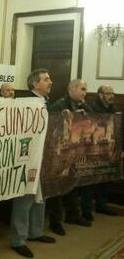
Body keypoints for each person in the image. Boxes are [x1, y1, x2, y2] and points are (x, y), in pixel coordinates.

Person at [10, 68, 55, 258]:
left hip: (43, 155)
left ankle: (36, 232)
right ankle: (18, 240)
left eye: (49, 78)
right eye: (46, 79)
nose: (50, 82)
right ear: (35, 84)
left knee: (40, 196)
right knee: (25, 197)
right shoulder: (25, 101)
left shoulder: (45, 101)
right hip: (27, 157)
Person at [49, 79, 93, 228]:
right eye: (82, 89)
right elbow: (53, 127)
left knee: (73, 183)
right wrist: (73, 116)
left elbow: (93, 119)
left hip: (74, 151)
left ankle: (73, 215)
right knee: (58, 187)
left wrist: (84, 115)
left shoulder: (83, 104)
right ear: (72, 89)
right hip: (60, 152)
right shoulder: (59, 104)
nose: (85, 93)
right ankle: (55, 221)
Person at [80, 85, 118, 218]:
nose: (111, 96)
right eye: (108, 93)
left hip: (107, 148)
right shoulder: (92, 108)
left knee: (104, 178)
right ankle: (86, 210)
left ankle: (102, 206)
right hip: (92, 148)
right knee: (89, 181)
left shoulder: (112, 109)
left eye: (112, 93)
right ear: (100, 95)